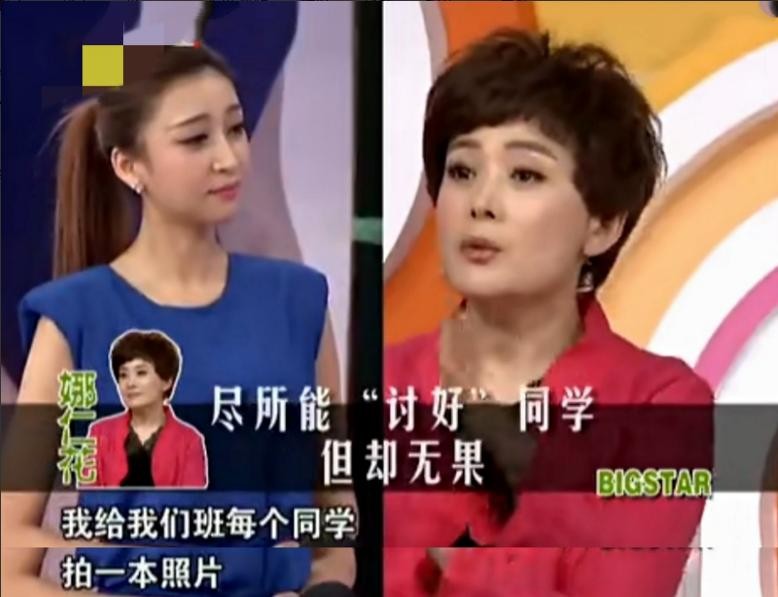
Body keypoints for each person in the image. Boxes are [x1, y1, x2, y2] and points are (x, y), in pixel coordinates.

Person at [2, 43, 355, 597]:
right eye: (196, 139)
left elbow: (335, 520)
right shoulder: (73, 319)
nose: (228, 158)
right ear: (129, 165)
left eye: (235, 129)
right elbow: (9, 569)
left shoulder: (299, 302)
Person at [384, 29, 714, 596]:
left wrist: (461, 566)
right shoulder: (378, 383)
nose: (481, 203)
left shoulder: (662, 407)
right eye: (462, 171)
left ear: (602, 225)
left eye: (525, 175)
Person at [85, 330, 207, 489]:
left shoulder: (189, 441)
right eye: (123, 375)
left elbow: (192, 500)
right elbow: (87, 495)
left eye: (141, 373)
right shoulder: (99, 433)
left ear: (167, 381)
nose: (130, 383)